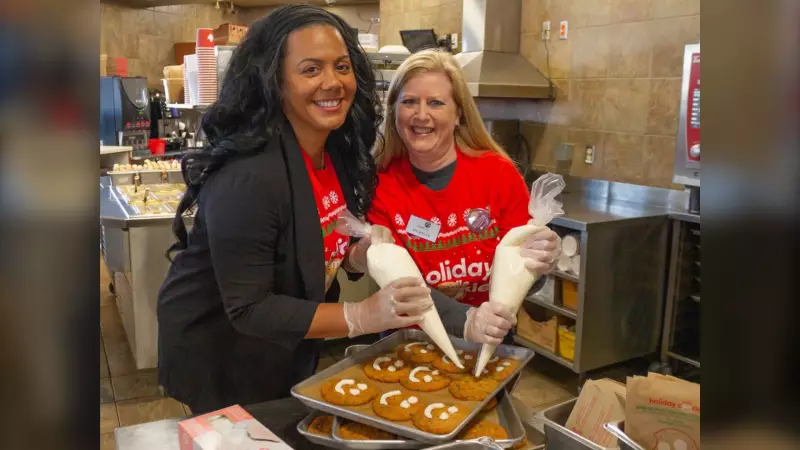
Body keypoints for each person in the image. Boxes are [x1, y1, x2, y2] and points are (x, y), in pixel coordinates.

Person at [346, 50, 562, 344]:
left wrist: (540, 263)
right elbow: (401, 283)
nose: (421, 115)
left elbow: (525, 275)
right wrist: (465, 320)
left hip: (490, 339)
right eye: (409, 101)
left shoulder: (497, 174)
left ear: (458, 113)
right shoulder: (381, 184)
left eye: (436, 102)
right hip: (409, 340)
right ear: (395, 111)